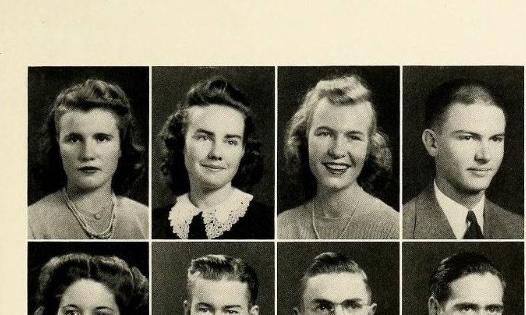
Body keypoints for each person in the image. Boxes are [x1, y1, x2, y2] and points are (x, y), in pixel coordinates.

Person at [277, 75, 399, 239]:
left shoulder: (394, 227)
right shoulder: (282, 227)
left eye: (353, 137)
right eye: (325, 133)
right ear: (305, 139)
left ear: (369, 146)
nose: (337, 151)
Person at [153, 77, 273, 239]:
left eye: (231, 141)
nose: (216, 153)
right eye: (204, 138)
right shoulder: (153, 223)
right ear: (181, 143)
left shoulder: (269, 223)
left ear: (243, 150)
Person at [28, 78, 149, 239]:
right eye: (74, 139)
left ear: (121, 146)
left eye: (102, 138)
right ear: (57, 145)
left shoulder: (145, 220)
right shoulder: (30, 222)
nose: (87, 154)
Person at [403, 78, 523, 239]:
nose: (484, 156)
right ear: (432, 143)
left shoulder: (520, 227)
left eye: (495, 139)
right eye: (468, 138)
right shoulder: (401, 226)